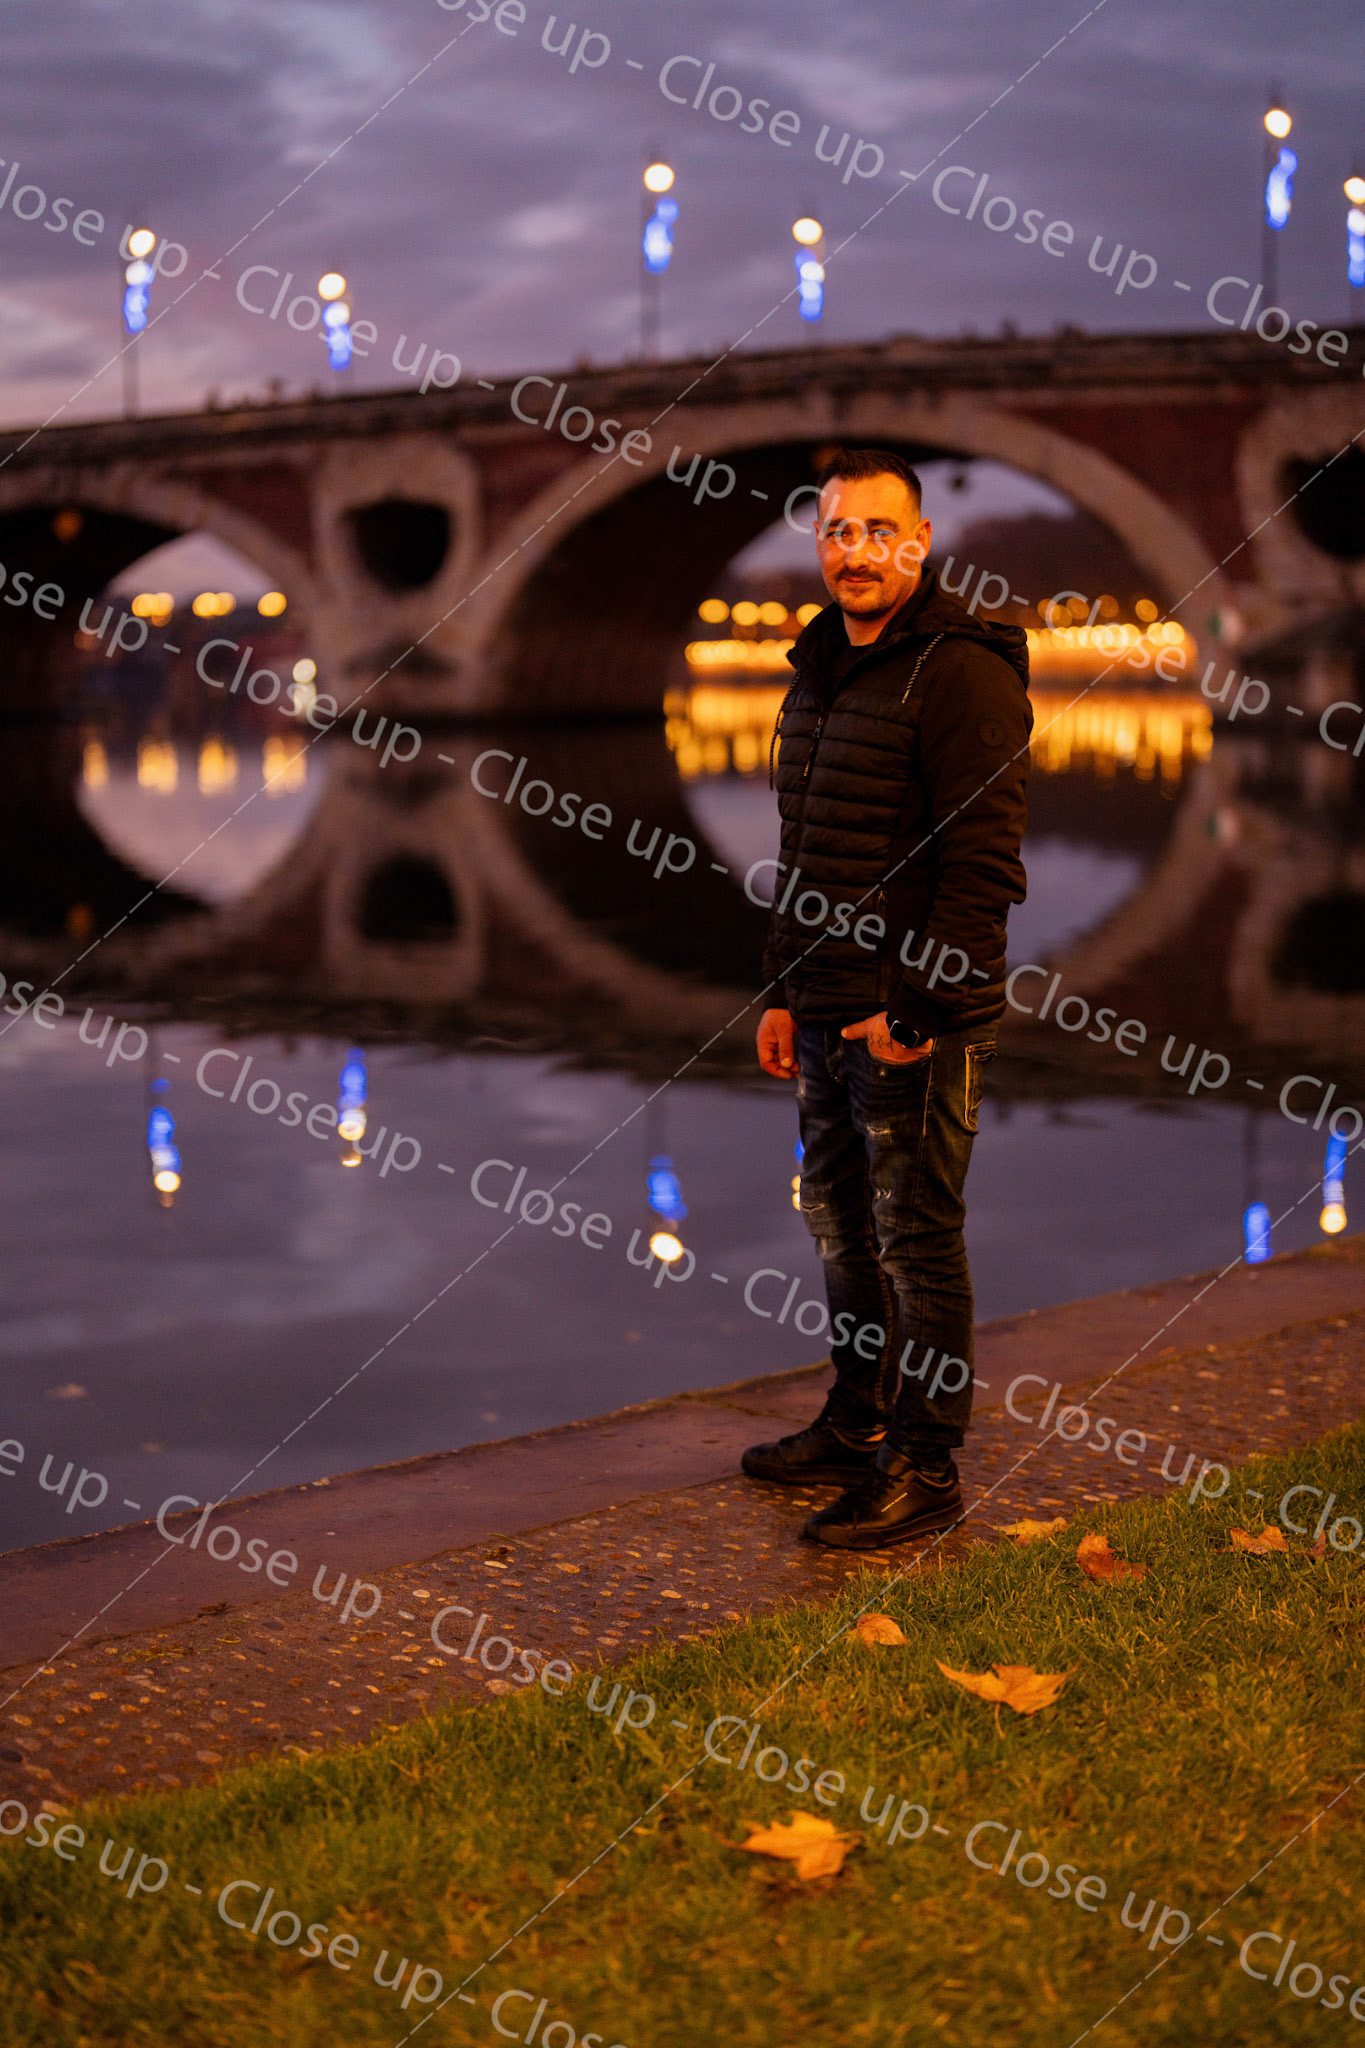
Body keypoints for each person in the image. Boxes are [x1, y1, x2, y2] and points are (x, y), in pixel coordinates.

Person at [741, 448, 1032, 1548]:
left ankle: (925, 1463)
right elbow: (803, 848)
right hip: (823, 1005)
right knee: (839, 1227)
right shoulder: (820, 664)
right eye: (836, 531)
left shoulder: (961, 674)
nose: (853, 551)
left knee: (916, 1239)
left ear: (920, 542)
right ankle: (857, 1418)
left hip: (908, 1019)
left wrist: (917, 1009)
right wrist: (783, 989)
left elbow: (982, 870)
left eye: (877, 531)